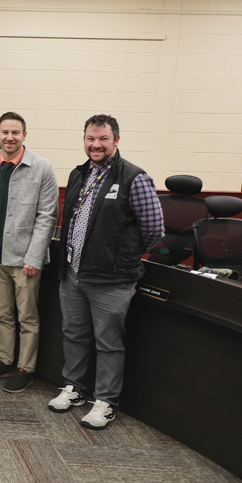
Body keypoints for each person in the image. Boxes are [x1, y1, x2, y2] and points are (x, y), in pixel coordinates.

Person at [50, 115, 163, 429]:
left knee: (108, 342)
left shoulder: (134, 178)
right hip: (73, 272)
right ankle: (74, 388)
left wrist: (122, 256)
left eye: (102, 139)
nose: (95, 145)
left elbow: (154, 230)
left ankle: (105, 402)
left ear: (116, 140)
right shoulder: (79, 173)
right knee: (73, 333)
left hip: (112, 279)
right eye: (90, 138)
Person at [0, 111, 58, 393]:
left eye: (15, 133)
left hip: (25, 261)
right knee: (2, 315)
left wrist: (34, 257)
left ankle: (25, 368)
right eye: (5, 133)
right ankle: (5, 360)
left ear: (24, 135)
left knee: (27, 318)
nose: (10, 138)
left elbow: (47, 216)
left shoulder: (42, 168)